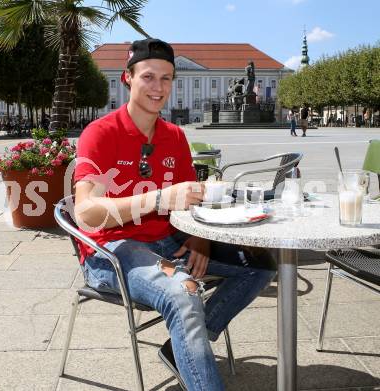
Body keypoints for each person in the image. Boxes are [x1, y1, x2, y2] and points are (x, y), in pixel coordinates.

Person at [74, 38, 276, 391]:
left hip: (169, 241)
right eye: (148, 77)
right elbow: (86, 213)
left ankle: (180, 347)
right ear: (128, 78)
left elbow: (189, 200)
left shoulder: (174, 136)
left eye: (166, 79)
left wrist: (201, 239)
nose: (158, 87)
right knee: (183, 293)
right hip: (112, 251)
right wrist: (157, 199)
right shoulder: (99, 133)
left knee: (260, 265)